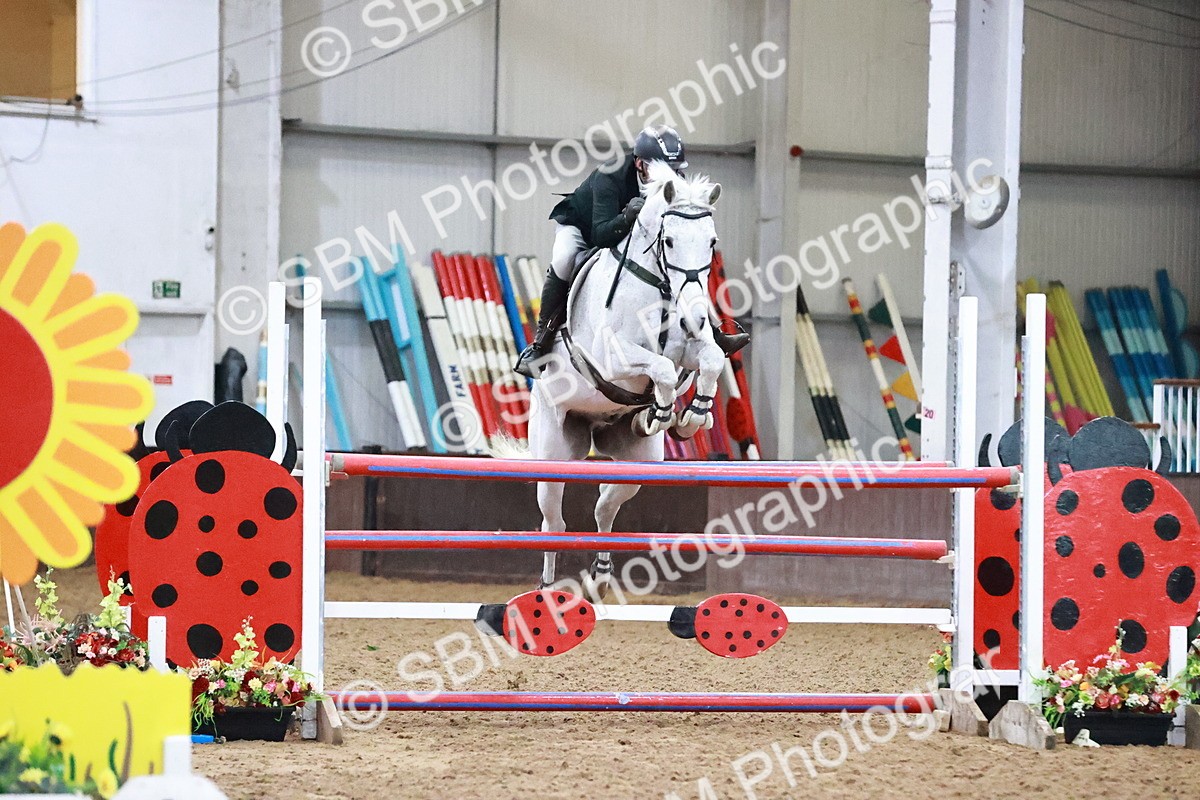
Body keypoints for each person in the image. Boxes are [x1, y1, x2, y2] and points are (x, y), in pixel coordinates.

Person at [513, 124, 748, 379]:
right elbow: (600, 235)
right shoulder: (609, 176)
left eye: (675, 169)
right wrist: (627, 216)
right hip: (584, 227)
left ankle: (710, 332)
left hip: (625, 232)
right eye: (662, 168)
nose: (671, 175)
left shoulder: (674, 183)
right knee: (563, 259)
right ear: (639, 164)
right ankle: (540, 344)